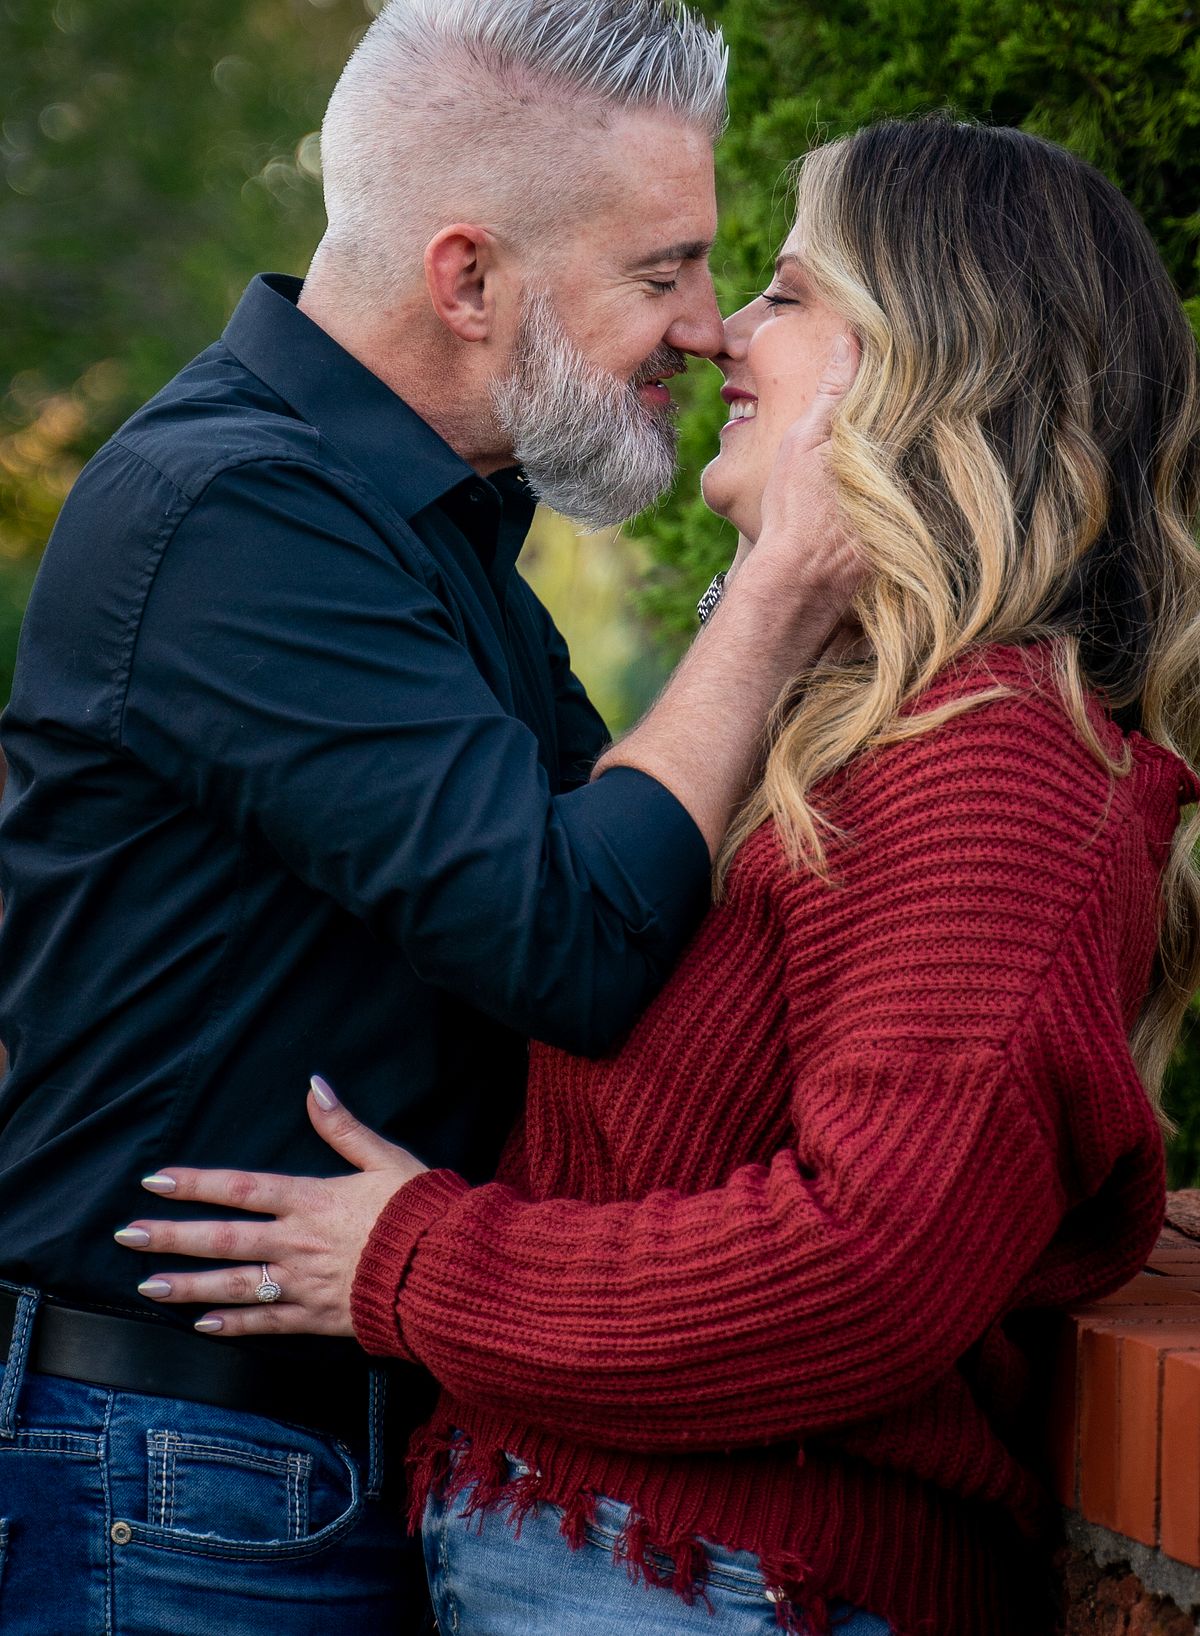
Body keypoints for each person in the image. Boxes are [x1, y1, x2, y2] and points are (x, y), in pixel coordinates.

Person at [126, 115, 1200, 1636]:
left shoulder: (1000, 768)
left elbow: (868, 1268)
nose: (720, 337)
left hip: (730, 1585)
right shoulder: (850, 731)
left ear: (931, 366)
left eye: (784, 291)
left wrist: (417, 1259)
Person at [0, 5, 864, 1634]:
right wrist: (779, 591)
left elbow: (646, 884)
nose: (704, 328)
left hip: (307, 1472)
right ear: (466, 278)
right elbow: (579, 938)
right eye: (663, 269)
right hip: (178, 1489)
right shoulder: (231, 514)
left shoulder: (423, 524)